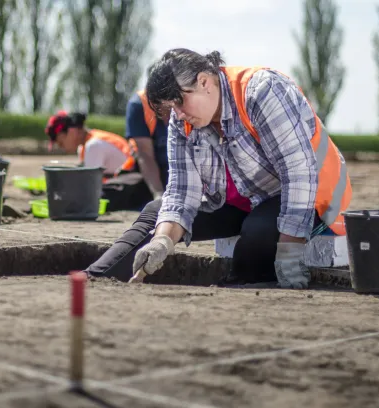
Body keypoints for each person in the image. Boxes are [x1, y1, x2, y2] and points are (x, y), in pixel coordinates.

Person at [85, 49, 352, 289]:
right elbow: (180, 191)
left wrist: (291, 250)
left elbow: (298, 172)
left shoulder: (262, 91)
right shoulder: (183, 121)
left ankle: (240, 286)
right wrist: (163, 241)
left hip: (308, 195)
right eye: (170, 109)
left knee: (258, 231)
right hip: (242, 200)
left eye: (179, 103)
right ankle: (95, 278)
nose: (177, 115)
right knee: (155, 214)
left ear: (204, 81)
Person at [44, 110, 153, 211]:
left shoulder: (93, 145)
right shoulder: (87, 144)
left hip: (135, 188)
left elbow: (89, 186)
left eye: (61, 142)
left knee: (87, 198)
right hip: (130, 184)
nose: (61, 147)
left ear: (72, 131)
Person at [126, 87, 171, 200]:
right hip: (149, 172)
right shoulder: (138, 104)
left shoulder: (191, 98)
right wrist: (158, 193)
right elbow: (145, 154)